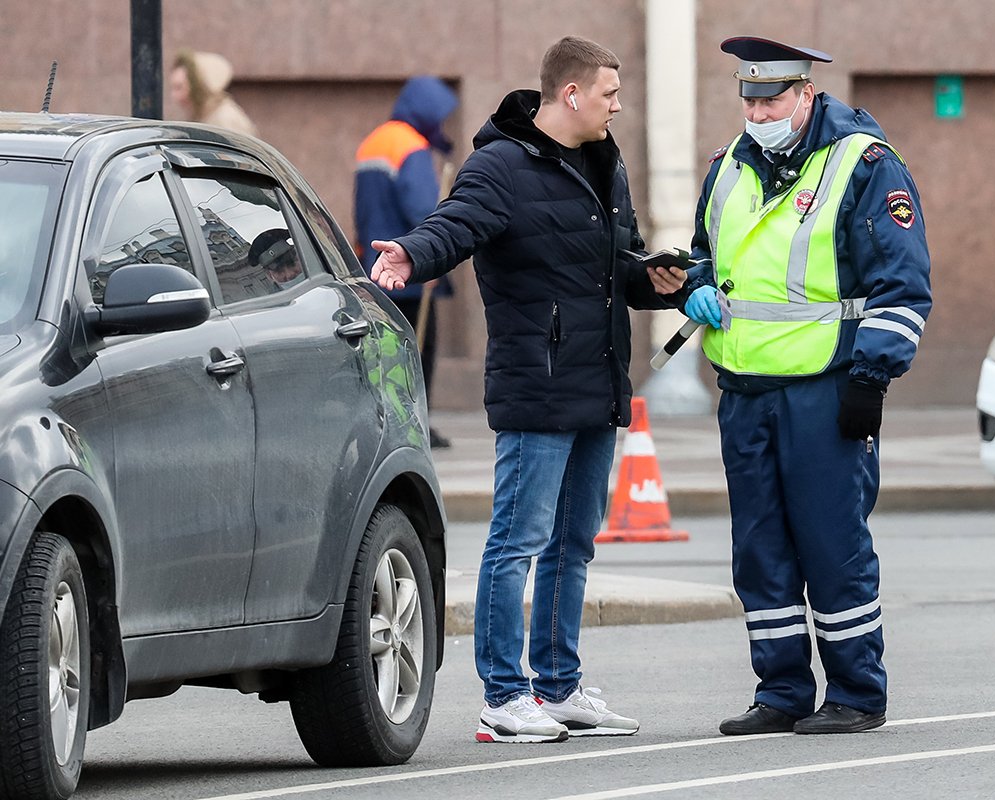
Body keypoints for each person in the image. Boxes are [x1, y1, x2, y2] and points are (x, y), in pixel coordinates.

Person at [368, 36, 690, 744]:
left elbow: (620, 262)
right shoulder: (501, 164)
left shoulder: (606, 162)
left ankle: (559, 686)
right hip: (538, 389)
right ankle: (503, 696)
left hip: (598, 383)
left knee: (573, 545)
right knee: (517, 541)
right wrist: (411, 255)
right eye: (608, 92)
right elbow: (456, 224)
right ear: (569, 94)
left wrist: (662, 278)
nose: (617, 104)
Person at [683, 36, 932, 736]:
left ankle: (857, 691)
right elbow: (704, 253)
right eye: (749, 99)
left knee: (831, 545)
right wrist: (696, 287)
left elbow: (902, 285)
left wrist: (870, 380)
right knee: (760, 551)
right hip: (745, 389)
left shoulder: (864, 164)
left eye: (772, 99)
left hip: (826, 391)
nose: (758, 111)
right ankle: (782, 690)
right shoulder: (728, 167)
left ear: (805, 95)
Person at [355, 76, 459, 449]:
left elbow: (363, 210)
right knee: (418, 348)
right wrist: (431, 257)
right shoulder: (411, 147)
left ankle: (389, 422)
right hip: (410, 269)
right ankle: (417, 424)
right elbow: (422, 209)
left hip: (377, 264)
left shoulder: (374, 142)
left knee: (386, 350)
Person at [168, 49, 258, 137]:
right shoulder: (203, 116)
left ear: (198, 88)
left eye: (179, 88)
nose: (175, 96)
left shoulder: (226, 119)